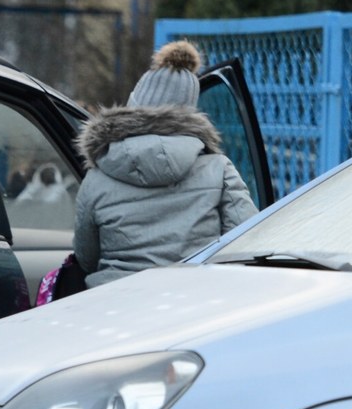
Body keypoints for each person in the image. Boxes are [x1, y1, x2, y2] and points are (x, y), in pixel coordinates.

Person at [72, 39, 259, 289]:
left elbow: (86, 257)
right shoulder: (219, 170)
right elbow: (246, 241)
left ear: (133, 106)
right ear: (190, 112)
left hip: (112, 304)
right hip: (193, 305)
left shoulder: (97, 177)